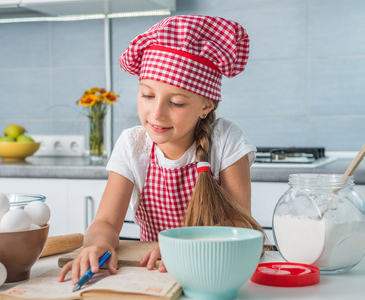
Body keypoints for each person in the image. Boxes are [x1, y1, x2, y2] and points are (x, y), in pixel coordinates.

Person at [58, 15, 264, 285]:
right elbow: (106, 222)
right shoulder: (133, 144)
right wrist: (96, 245)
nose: (156, 114)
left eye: (176, 103)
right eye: (147, 95)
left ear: (206, 106)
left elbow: (240, 226)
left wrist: (182, 247)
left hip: (212, 271)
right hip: (156, 274)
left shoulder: (226, 139)